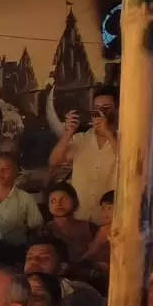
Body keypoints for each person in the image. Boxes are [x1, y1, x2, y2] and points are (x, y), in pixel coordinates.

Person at [50, 85, 119, 221]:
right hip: (80, 218)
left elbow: (129, 165)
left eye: (106, 109)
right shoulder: (81, 139)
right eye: (96, 109)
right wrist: (68, 133)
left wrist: (108, 134)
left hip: (111, 221)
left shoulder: (126, 140)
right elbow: (54, 162)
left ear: (117, 110)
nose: (100, 114)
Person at [41, 183, 94, 267]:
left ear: (75, 201)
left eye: (64, 199)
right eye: (53, 201)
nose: (58, 204)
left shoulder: (90, 228)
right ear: (48, 206)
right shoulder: (43, 231)